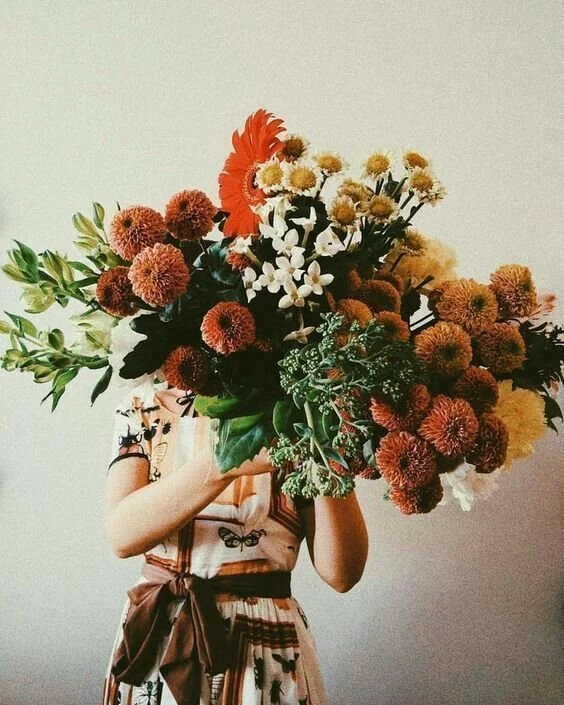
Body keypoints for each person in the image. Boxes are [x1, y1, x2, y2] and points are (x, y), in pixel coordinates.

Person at [102, 379, 369, 705]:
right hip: (156, 635)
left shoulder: (296, 411)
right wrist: (224, 461)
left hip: (262, 645)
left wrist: (326, 437)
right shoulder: (142, 406)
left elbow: (341, 573)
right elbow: (122, 536)